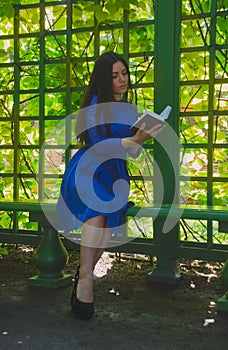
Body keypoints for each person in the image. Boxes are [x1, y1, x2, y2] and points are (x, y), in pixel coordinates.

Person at [57, 51, 164, 320]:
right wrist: (137, 138)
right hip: (89, 170)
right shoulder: (94, 106)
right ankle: (85, 282)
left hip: (113, 173)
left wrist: (141, 138)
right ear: (104, 80)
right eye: (115, 76)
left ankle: (83, 277)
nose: (122, 79)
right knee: (98, 211)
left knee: (106, 224)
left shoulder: (127, 108)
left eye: (125, 73)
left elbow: (131, 151)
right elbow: (101, 145)